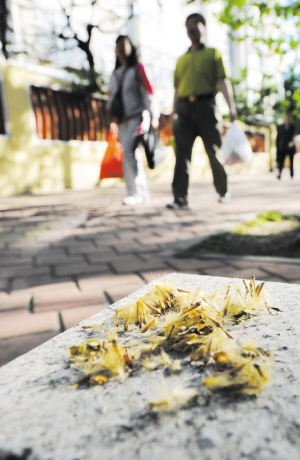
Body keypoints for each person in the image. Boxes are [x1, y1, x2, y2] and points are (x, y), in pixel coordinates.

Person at [167, 13, 237, 209]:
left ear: (204, 27)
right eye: (188, 25)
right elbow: (177, 89)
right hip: (184, 109)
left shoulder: (213, 54)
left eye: (195, 24)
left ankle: (223, 191)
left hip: (207, 107)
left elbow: (223, 81)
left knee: (214, 152)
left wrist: (231, 107)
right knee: (181, 154)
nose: (191, 28)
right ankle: (179, 197)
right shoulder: (181, 60)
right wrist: (173, 113)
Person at [108, 35, 158, 206]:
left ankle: (134, 192)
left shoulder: (137, 69)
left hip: (137, 117)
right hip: (121, 121)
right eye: (118, 45)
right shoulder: (114, 74)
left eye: (124, 45)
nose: (121, 48)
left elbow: (148, 93)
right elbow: (111, 99)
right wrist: (112, 120)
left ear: (131, 47)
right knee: (129, 155)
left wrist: (153, 115)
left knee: (129, 153)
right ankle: (141, 192)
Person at [276, 113, 296, 179]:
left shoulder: (292, 127)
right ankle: (279, 174)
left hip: (291, 147)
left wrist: (292, 142)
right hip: (282, 147)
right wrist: (278, 147)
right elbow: (278, 137)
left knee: (291, 162)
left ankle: (291, 174)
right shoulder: (281, 127)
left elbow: (294, 136)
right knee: (281, 161)